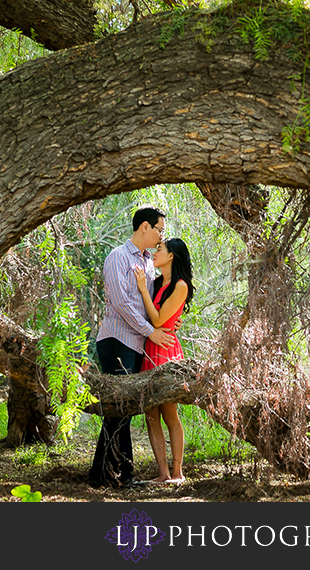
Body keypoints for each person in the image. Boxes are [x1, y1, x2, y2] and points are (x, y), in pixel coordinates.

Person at [88, 206, 173, 489]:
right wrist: (152, 331)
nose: (162, 235)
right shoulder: (118, 257)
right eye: (159, 229)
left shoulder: (150, 263)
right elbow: (122, 303)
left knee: (121, 409)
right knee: (118, 407)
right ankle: (123, 476)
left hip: (138, 344)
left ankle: (102, 474)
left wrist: (167, 324)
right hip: (116, 341)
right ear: (145, 228)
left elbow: (150, 304)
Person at [132, 237, 194, 483]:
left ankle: (178, 473)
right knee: (150, 413)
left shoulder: (180, 285)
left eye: (160, 249)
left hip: (166, 350)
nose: (155, 252)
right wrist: (146, 289)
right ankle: (162, 474)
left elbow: (158, 320)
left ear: (171, 256)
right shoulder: (156, 282)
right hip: (150, 347)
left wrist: (143, 290)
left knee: (169, 412)